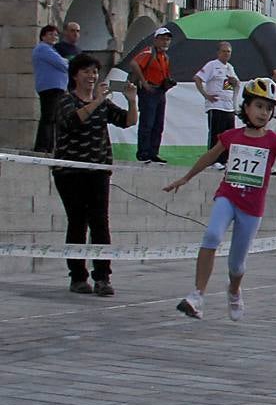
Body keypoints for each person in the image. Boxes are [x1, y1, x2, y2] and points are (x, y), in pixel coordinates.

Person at [165, 78, 276, 320]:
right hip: (228, 196)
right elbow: (209, 156)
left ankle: (234, 290)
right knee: (212, 235)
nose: (264, 113)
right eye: (259, 106)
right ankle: (197, 295)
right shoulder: (231, 136)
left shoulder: (273, 141)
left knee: (236, 265)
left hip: (252, 208)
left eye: (269, 108)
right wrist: (185, 178)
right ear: (246, 107)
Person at [53, 55, 138, 295]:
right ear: (75, 75)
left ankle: (102, 277)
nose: (92, 76)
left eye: (94, 72)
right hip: (70, 172)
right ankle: (78, 276)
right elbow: (73, 121)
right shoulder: (65, 100)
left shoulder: (103, 104)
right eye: (86, 72)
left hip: (98, 170)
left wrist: (132, 101)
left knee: (100, 222)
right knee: (77, 221)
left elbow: (127, 121)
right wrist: (98, 100)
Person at [129, 27, 173, 163]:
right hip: (149, 90)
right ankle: (143, 152)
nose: (165, 42)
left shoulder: (165, 56)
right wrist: (144, 81)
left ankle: (153, 152)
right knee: (147, 123)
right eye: (162, 39)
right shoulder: (149, 52)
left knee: (158, 124)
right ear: (156, 40)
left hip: (159, 91)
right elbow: (134, 63)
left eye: (167, 39)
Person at [194, 42, 240, 167]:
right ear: (218, 52)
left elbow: (234, 84)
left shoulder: (230, 67)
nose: (226, 54)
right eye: (224, 51)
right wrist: (206, 95)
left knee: (228, 135)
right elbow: (197, 78)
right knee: (216, 133)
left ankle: (224, 160)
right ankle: (213, 160)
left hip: (229, 106)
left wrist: (234, 82)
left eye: (229, 51)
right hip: (216, 105)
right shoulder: (212, 65)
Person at [31, 25, 68, 153]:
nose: (54, 37)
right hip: (51, 87)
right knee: (49, 117)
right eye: (51, 34)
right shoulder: (43, 49)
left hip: (54, 86)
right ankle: (43, 146)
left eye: (56, 35)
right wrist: (68, 62)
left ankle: (49, 146)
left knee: (52, 118)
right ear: (43, 36)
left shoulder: (49, 49)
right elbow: (62, 64)